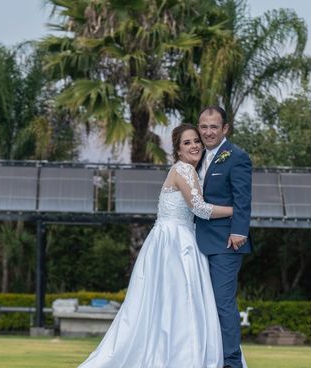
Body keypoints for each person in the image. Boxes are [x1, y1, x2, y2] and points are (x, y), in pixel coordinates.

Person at [77, 124, 235, 368]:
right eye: (187, 143)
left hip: (173, 238)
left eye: (196, 141)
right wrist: (237, 211)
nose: (194, 146)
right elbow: (200, 209)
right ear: (178, 150)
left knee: (166, 304)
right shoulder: (183, 169)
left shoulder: (191, 171)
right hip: (176, 243)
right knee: (182, 301)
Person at [196, 106, 252, 368]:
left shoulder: (237, 157)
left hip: (226, 243)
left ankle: (232, 362)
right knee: (201, 304)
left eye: (213, 127)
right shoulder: (195, 158)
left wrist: (239, 230)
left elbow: (242, 198)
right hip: (195, 243)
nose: (208, 132)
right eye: (204, 127)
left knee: (223, 304)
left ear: (225, 129)